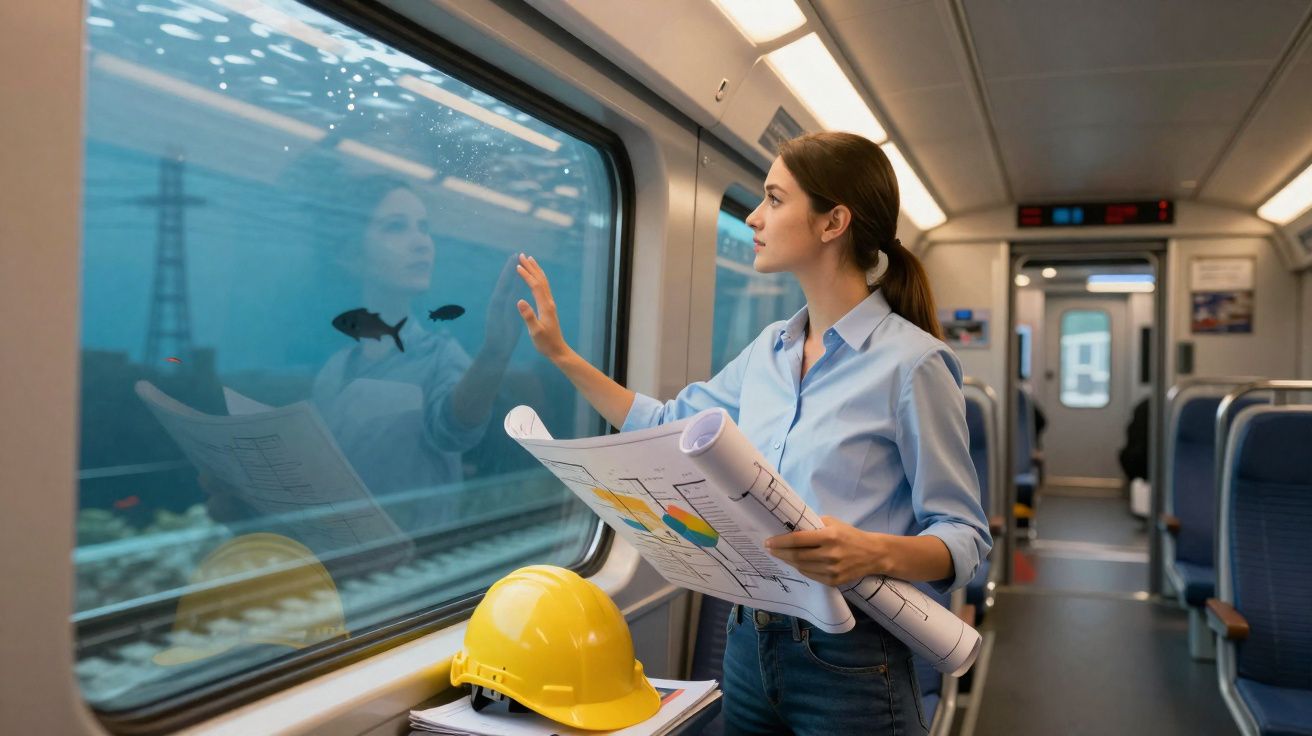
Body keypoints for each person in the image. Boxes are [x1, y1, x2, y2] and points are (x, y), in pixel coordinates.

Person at [514, 132, 991, 735]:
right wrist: (561, 355)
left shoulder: (913, 364)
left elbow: (965, 537)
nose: (754, 216)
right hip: (747, 642)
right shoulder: (770, 349)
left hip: (853, 661)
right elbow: (666, 425)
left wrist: (873, 551)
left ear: (832, 222)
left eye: (774, 198)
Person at [310, 175, 523, 535]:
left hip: (420, 563)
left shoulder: (441, 356)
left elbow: (453, 430)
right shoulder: (334, 369)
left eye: (424, 229)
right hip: (342, 554)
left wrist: (494, 354)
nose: (421, 243)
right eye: (396, 227)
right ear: (352, 255)